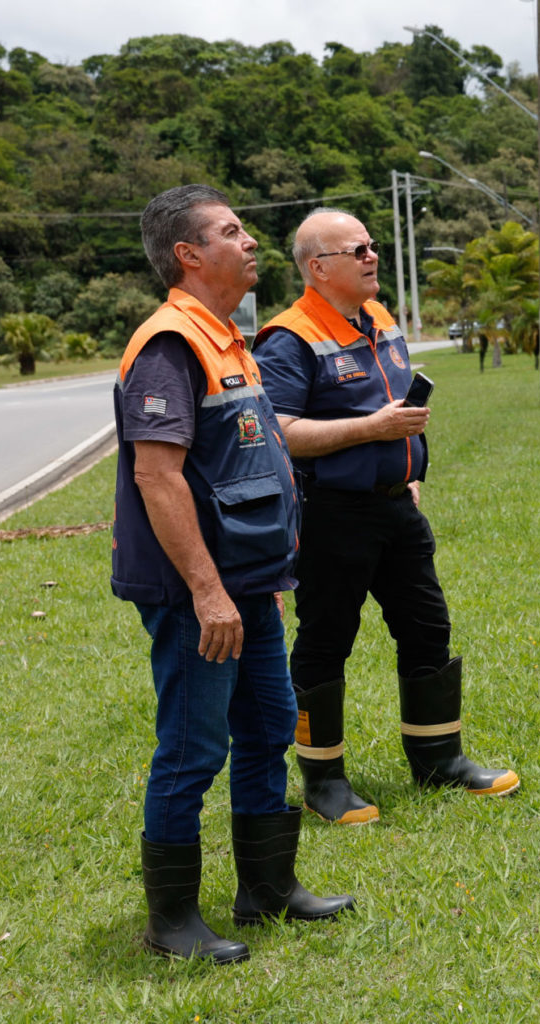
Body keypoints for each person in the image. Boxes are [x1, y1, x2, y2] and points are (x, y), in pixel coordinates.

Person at [111, 185, 354, 964]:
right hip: (199, 596)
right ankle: (173, 920)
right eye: (231, 231)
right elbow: (158, 477)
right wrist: (208, 592)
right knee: (192, 747)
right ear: (189, 255)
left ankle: (267, 889)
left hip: (251, 586)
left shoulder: (227, 335)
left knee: (266, 730)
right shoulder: (169, 343)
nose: (250, 241)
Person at [254, 208, 519, 827]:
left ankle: (439, 759)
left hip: (397, 509)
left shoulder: (379, 318)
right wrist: (374, 431)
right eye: (359, 249)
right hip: (331, 516)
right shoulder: (288, 337)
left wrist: (412, 470)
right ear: (319, 268)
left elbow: (399, 405)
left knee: (428, 628)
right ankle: (324, 781)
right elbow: (282, 433)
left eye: (373, 246)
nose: (374, 256)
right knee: (325, 643)